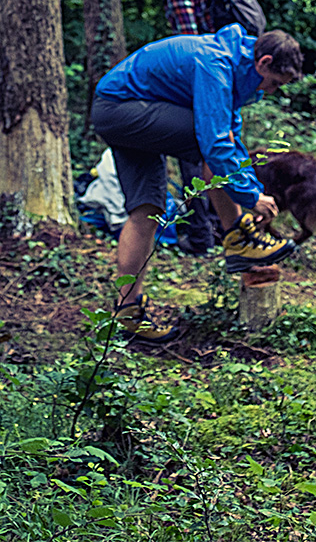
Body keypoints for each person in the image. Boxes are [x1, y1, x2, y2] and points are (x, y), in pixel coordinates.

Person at [91, 24, 304, 343]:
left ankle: (127, 311)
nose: (271, 90)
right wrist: (250, 198)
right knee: (210, 144)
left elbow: (231, 138)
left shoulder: (234, 69)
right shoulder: (215, 63)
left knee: (147, 211)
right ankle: (239, 239)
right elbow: (217, 146)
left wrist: (252, 190)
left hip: (127, 112)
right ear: (264, 62)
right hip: (120, 109)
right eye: (274, 82)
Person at [132, 0, 221, 253]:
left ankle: (201, 238)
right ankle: (219, 230)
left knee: (192, 158)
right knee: (214, 152)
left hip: (199, 83)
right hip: (216, 79)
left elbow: (190, 45)